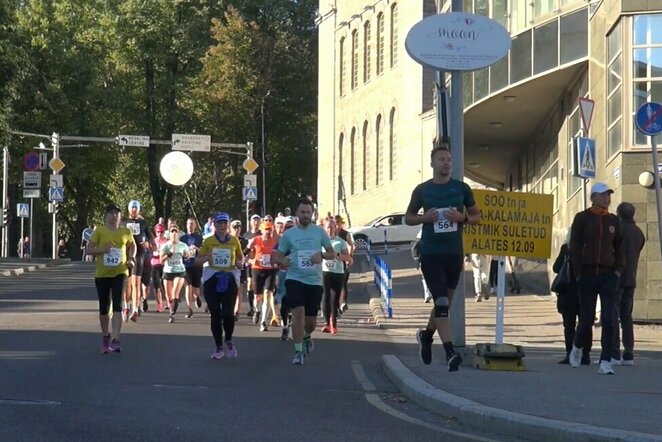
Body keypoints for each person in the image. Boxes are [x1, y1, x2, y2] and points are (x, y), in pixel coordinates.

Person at [405, 147, 480, 372]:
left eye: (449, 159)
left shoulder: (461, 188)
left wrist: (463, 218)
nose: (446, 163)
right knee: (441, 303)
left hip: (454, 253)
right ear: (433, 164)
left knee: (444, 304)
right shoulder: (423, 190)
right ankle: (450, 352)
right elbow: (408, 217)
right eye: (442, 160)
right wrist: (423, 218)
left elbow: (477, 216)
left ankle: (427, 336)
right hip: (430, 253)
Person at [568, 182, 624, 375]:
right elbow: (574, 246)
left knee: (609, 318)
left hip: (608, 275)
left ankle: (605, 360)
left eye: (608, 195)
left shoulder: (613, 220)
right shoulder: (583, 218)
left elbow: (620, 247)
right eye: (602, 195)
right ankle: (577, 346)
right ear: (593, 197)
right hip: (587, 274)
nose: (606, 198)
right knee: (587, 318)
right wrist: (578, 272)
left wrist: (617, 270)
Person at [273, 198, 336, 365]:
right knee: (298, 313)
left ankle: (307, 336)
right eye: (303, 212)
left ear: (312, 214)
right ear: (297, 214)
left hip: (314, 281)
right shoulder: (289, 235)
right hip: (294, 279)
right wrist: (282, 261)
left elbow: (332, 254)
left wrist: (321, 255)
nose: (306, 215)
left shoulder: (319, 232)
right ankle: (298, 352)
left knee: (311, 323)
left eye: (308, 212)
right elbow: (277, 256)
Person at [86, 204, 136, 354]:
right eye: (111, 213)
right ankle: (105, 336)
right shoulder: (100, 231)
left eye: (117, 213)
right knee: (104, 307)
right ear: (106, 216)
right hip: (102, 274)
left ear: (120, 216)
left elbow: (133, 245)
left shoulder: (126, 231)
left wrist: (131, 258)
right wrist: (102, 249)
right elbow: (88, 249)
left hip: (120, 272)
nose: (114, 216)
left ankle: (116, 339)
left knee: (118, 304)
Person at [195, 212, 243, 359]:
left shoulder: (234, 241)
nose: (222, 226)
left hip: (229, 278)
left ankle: (228, 339)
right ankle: (218, 347)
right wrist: (206, 257)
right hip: (212, 279)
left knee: (228, 313)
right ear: (214, 225)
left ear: (228, 225)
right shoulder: (208, 241)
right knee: (215, 313)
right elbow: (197, 261)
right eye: (219, 223)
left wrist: (239, 263)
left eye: (224, 223)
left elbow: (240, 257)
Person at [613, 202, 645, 365]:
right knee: (627, 317)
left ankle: (615, 352)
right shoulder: (639, 233)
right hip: (631, 279)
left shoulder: (618, 230)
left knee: (612, 315)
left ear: (619, 214)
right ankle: (629, 353)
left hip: (616, 278)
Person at [552, 232, 591, 365]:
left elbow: (556, 268)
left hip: (568, 292)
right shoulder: (589, 249)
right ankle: (585, 355)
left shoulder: (566, 249)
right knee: (585, 324)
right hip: (585, 291)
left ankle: (570, 353)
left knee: (569, 325)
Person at [123, 200, 153, 322]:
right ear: (129, 209)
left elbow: (151, 238)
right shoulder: (123, 222)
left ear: (139, 209)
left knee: (136, 282)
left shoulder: (143, 222)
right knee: (127, 283)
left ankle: (135, 309)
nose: (134, 210)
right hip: (126, 254)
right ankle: (126, 306)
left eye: (136, 208)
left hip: (139, 254)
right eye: (132, 208)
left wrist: (149, 243)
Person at [248, 220, 280, 331]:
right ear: (261, 230)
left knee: (268, 294)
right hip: (257, 270)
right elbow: (244, 254)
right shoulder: (255, 240)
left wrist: (276, 263)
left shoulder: (275, 242)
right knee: (258, 297)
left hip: (270, 270)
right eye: (266, 229)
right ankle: (257, 310)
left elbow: (277, 256)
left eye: (270, 229)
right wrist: (251, 261)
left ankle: (263, 322)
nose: (268, 232)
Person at [321, 218, 351, 334]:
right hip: (325, 271)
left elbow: (347, 258)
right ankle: (327, 323)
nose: (329, 230)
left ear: (335, 229)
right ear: (324, 229)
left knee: (334, 298)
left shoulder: (340, 242)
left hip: (338, 273)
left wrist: (337, 255)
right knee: (325, 296)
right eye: (327, 227)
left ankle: (333, 323)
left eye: (331, 227)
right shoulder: (321, 242)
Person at [160, 225, 189, 323]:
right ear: (169, 233)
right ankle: (172, 306)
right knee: (168, 295)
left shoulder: (183, 245)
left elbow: (187, 256)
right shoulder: (165, 245)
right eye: (172, 231)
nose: (174, 233)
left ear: (178, 233)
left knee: (174, 292)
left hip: (180, 271)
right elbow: (161, 260)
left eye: (176, 231)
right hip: (168, 271)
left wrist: (186, 255)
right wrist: (169, 254)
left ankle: (172, 313)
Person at [180, 217, 204, 318]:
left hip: (197, 265)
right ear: (186, 225)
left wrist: (197, 248)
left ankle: (197, 297)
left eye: (192, 224)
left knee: (195, 290)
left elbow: (203, 251)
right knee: (187, 286)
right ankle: (189, 309)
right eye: (188, 224)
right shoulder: (182, 238)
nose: (190, 226)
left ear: (195, 226)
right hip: (186, 265)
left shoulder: (199, 237)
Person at [335, 215, 355, 312]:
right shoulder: (328, 235)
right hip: (332, 264)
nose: (336, 226)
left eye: (337, 223)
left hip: (343, 261)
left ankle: (342, 302)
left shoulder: (345, 234)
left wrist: (349, 258)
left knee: (342, 283)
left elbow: (351, 246)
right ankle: (335, 304)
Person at [244, 214, 262, 318]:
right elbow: (244, 249)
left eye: (257, 221)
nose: (255, 223)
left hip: (260, 264)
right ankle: (252, 308)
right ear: (250, 222)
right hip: (250, 263)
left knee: (258, 286)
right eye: (254, 221)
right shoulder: (246, 235)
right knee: (250, 284)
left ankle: (258, 306)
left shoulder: (262, 234)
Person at [230, 219, 248, 319]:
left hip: (240, 269)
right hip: (228, 268)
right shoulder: (227, 239)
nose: (237, 230)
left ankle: (236, 312)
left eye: (238, 227)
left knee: (238, 289)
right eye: (234, 228)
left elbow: (248, 254)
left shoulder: (244, 241)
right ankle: (229, 309)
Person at [150, 223, 168, 312]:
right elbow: (151, 251)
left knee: (165, 285)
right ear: (155, 232)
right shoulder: (153, 241)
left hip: (164, 265)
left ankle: (168, 302)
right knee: (156, 285)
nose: (160, 233)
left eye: (162, 231)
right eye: (158, 231)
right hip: (155, 264)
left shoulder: (167, 241)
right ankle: (159, 304)